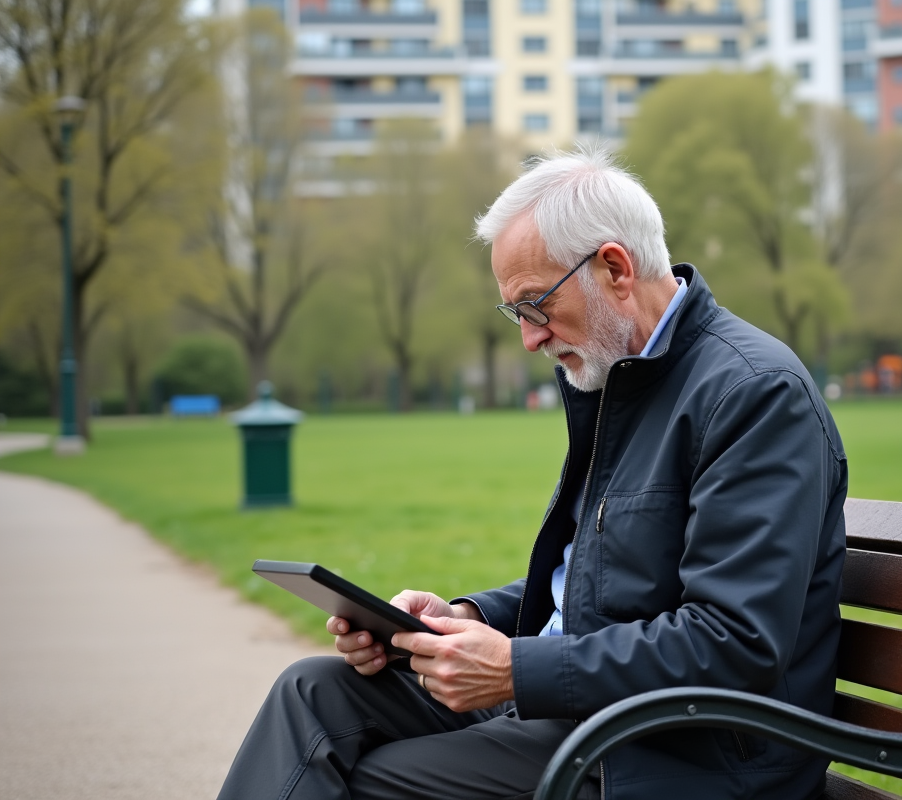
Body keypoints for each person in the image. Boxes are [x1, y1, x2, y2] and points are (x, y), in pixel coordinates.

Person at [217, 151, 847, 800]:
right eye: (515, 313)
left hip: (676, 751)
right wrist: (463, 619)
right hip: (580, 709)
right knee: (312, 693)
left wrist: (517, 670)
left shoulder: (754, 394)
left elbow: (735, 642)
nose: (529, 338)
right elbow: (598, 578)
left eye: (535, 304)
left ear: (615, 268)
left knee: (368, 782)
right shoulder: (620, 374)